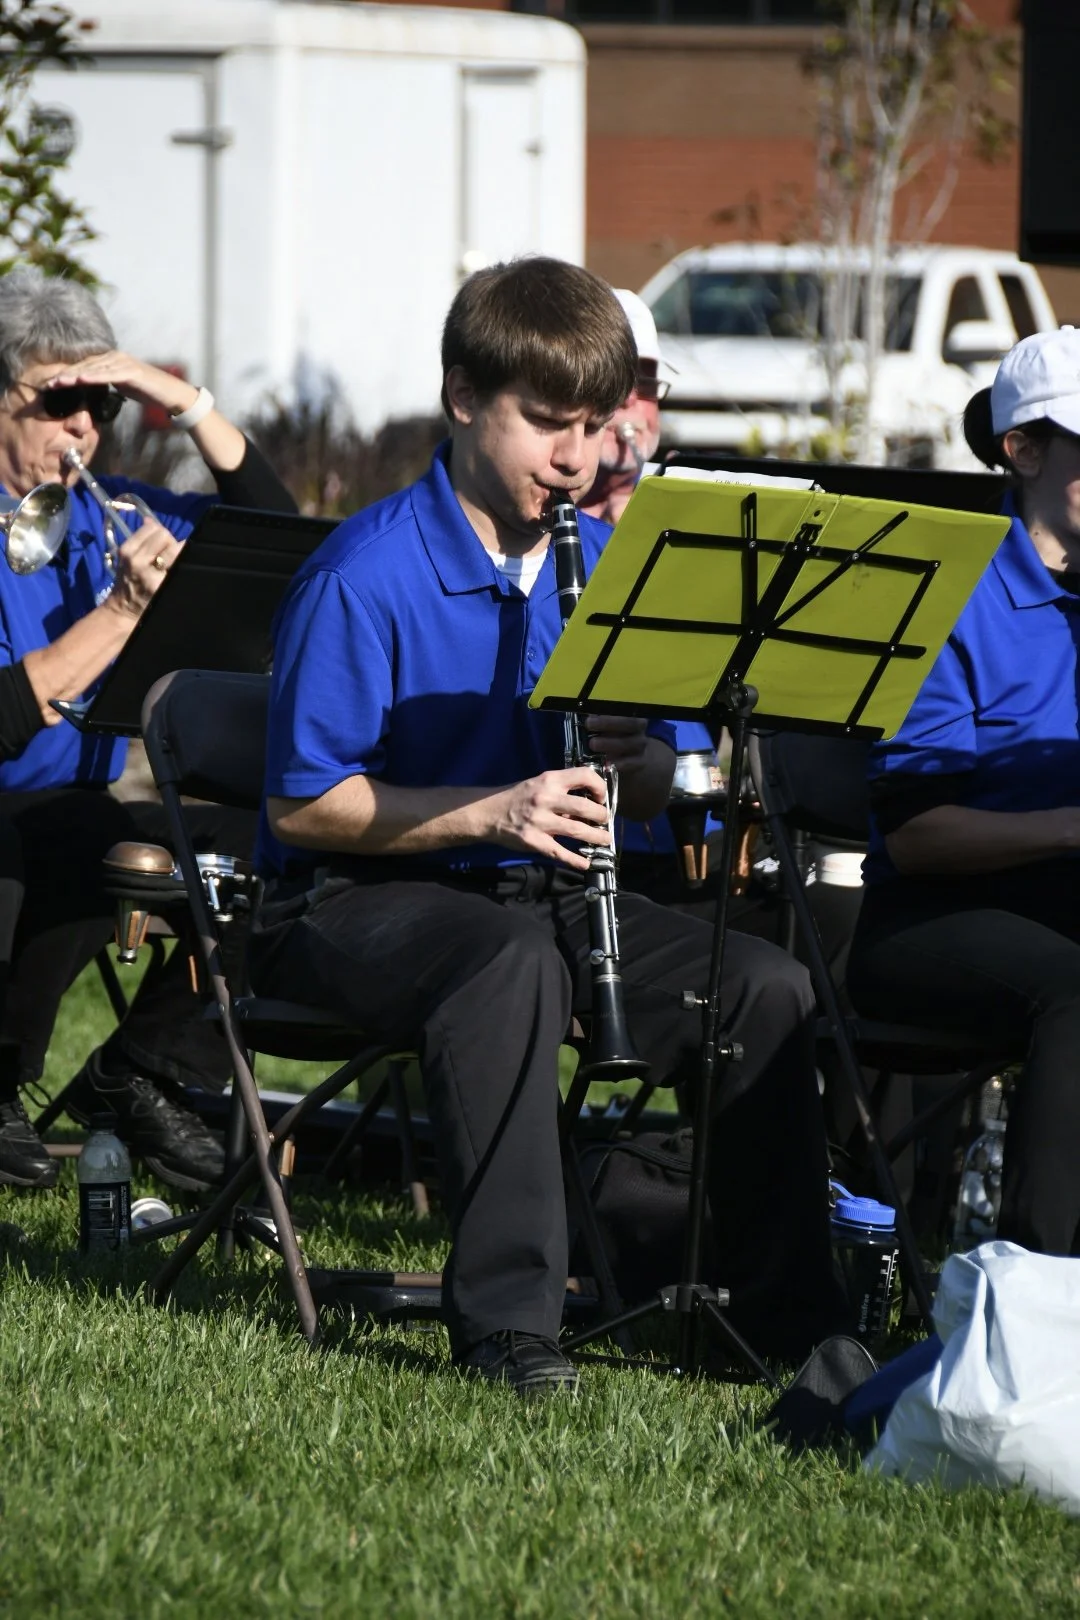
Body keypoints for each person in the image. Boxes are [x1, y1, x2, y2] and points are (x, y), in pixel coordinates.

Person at [249, 256, 844, 1394]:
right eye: (545, 424)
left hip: (554, 891)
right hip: (351, 901)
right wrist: (494, 808)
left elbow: (668, 780)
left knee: (762, 984)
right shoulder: (363, 575)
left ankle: (788, 1319)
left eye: (595, 426)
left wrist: (654, 772)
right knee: (510, 964)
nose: (575, 458)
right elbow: (301, 803)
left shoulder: (618, 564)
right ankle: (512, 1326)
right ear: (465, 397)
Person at [0, 266, 297, 1192]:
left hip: (77, 810)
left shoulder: (107, 508)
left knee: (274, 839)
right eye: (60, 400)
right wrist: (123, 617)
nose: (84, 425)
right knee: (75, 831)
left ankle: (142, 1071)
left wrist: (186, 403)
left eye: (102, 401)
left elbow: (280, 542)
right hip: (13, 811)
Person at [847, 324, 1080, 1258]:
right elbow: (916, 839)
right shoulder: (954, 593)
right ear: (1020, 449)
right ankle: (1042, 1294)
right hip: (931, 917)